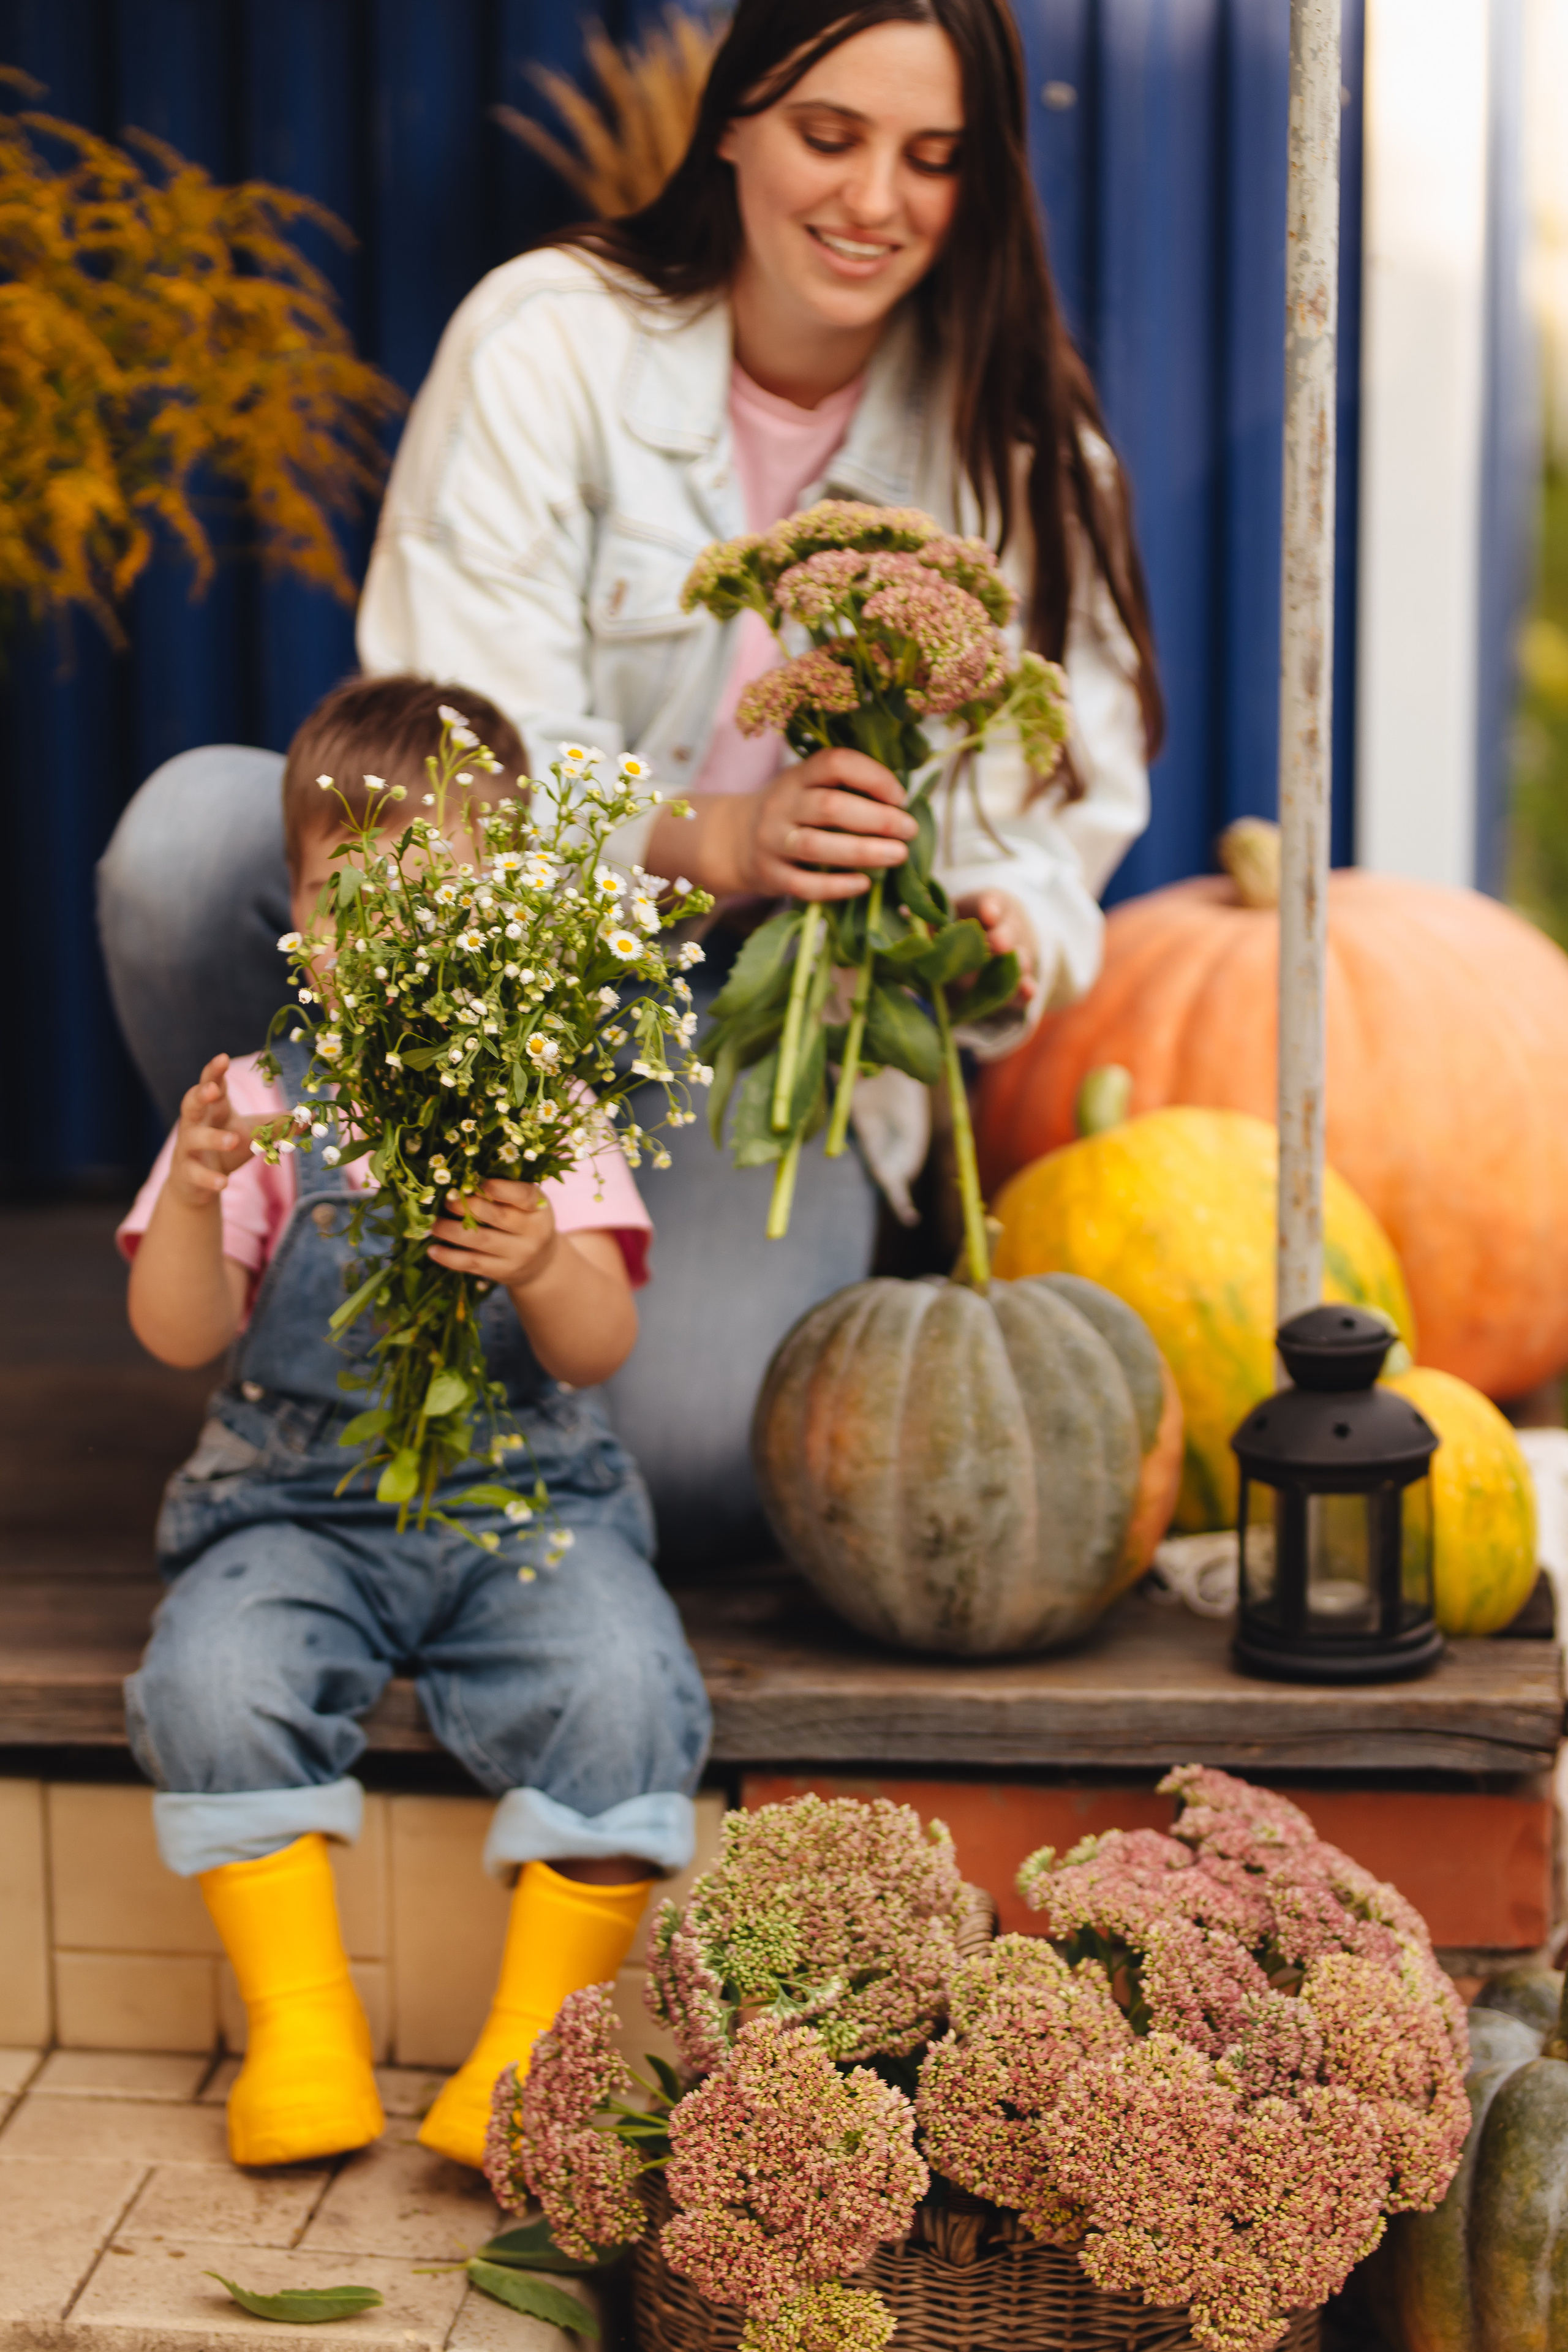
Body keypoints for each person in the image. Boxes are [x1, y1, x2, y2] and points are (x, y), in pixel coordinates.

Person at [99, 0, 1162, 1569]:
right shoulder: (549, 338)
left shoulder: (1015, 446)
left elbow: (1051, 831)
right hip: (487, 953)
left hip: (754, 1026)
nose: (873, 200)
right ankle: (296, 1304)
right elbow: (452, 752)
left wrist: (995, 933)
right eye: (828, 136)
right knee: (189, 842)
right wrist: (714, 834)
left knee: (698, 1470)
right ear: (732, 122)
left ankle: (516, 1317)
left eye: (931, 158)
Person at [118, 675, 710, 2173]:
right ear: (295, 920)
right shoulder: (261, 1104)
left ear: (503, 915)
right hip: (294, 1512)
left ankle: (528, 2051)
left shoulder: (543, 1106)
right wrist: (193, 1198)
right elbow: (179, 1333)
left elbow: (599, 1343)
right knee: (214, 1678)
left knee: (624, 1686)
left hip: (525, 1508)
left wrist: (547, 1261)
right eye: (344, 897)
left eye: (427, 896)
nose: (381, 933)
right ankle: (302, 2025)